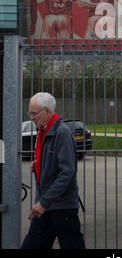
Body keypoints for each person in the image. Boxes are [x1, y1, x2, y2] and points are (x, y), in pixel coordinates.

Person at [21, 92, 85, 249]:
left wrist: (44, 202)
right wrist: (38, 165)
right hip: (46, 206)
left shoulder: (61, 133)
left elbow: (67, 172)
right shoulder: (44, 130)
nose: (31, 117)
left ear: (47, 111)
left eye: (34, 113)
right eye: (30, 113)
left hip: (61, 208)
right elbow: (53, 161)